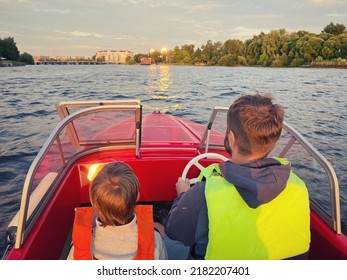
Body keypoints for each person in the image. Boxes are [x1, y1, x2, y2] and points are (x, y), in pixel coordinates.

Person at [164, 93, 311, 260]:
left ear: (232, 138)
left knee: (161, 235)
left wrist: (183, 195)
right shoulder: (298, 186)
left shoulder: (205, 193)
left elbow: (175, 232)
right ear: (274, 140)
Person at [69, 162, 167, 260]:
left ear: (92, 200)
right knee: (160, 228)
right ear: (137, 196)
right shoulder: (154, 241)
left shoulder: (77, 250)